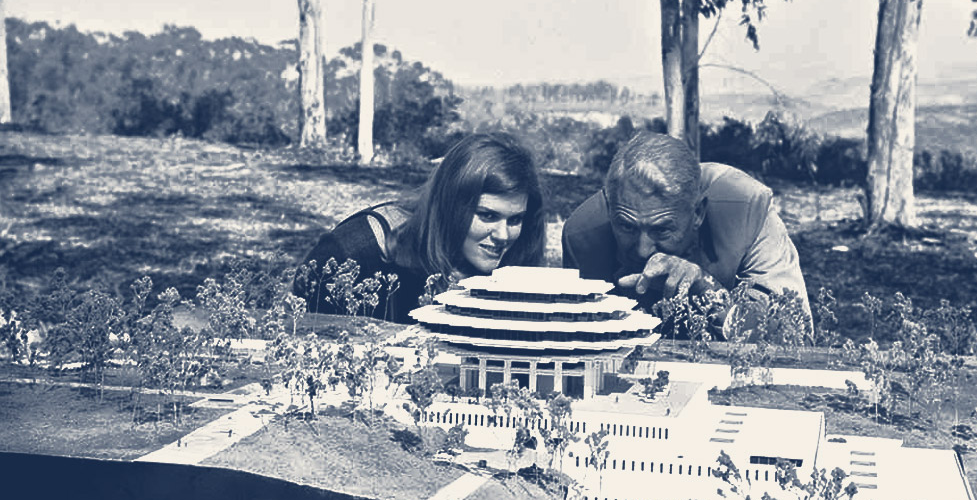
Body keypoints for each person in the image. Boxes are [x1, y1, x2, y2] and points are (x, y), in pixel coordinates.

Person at [561, 130, 810, 338]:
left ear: (698, 213)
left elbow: (795, 335)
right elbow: (580, 341)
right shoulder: (583, 236)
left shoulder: (746, 209)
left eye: (661, 229)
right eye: (627, 227)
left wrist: (706, 289)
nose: (642, 249)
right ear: (610, 208)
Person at [293, 133, 545, 323]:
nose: (503, 235)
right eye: (487, 215)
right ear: (450, 206)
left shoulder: (517, 253)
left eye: (514, 220)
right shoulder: (352, 253)